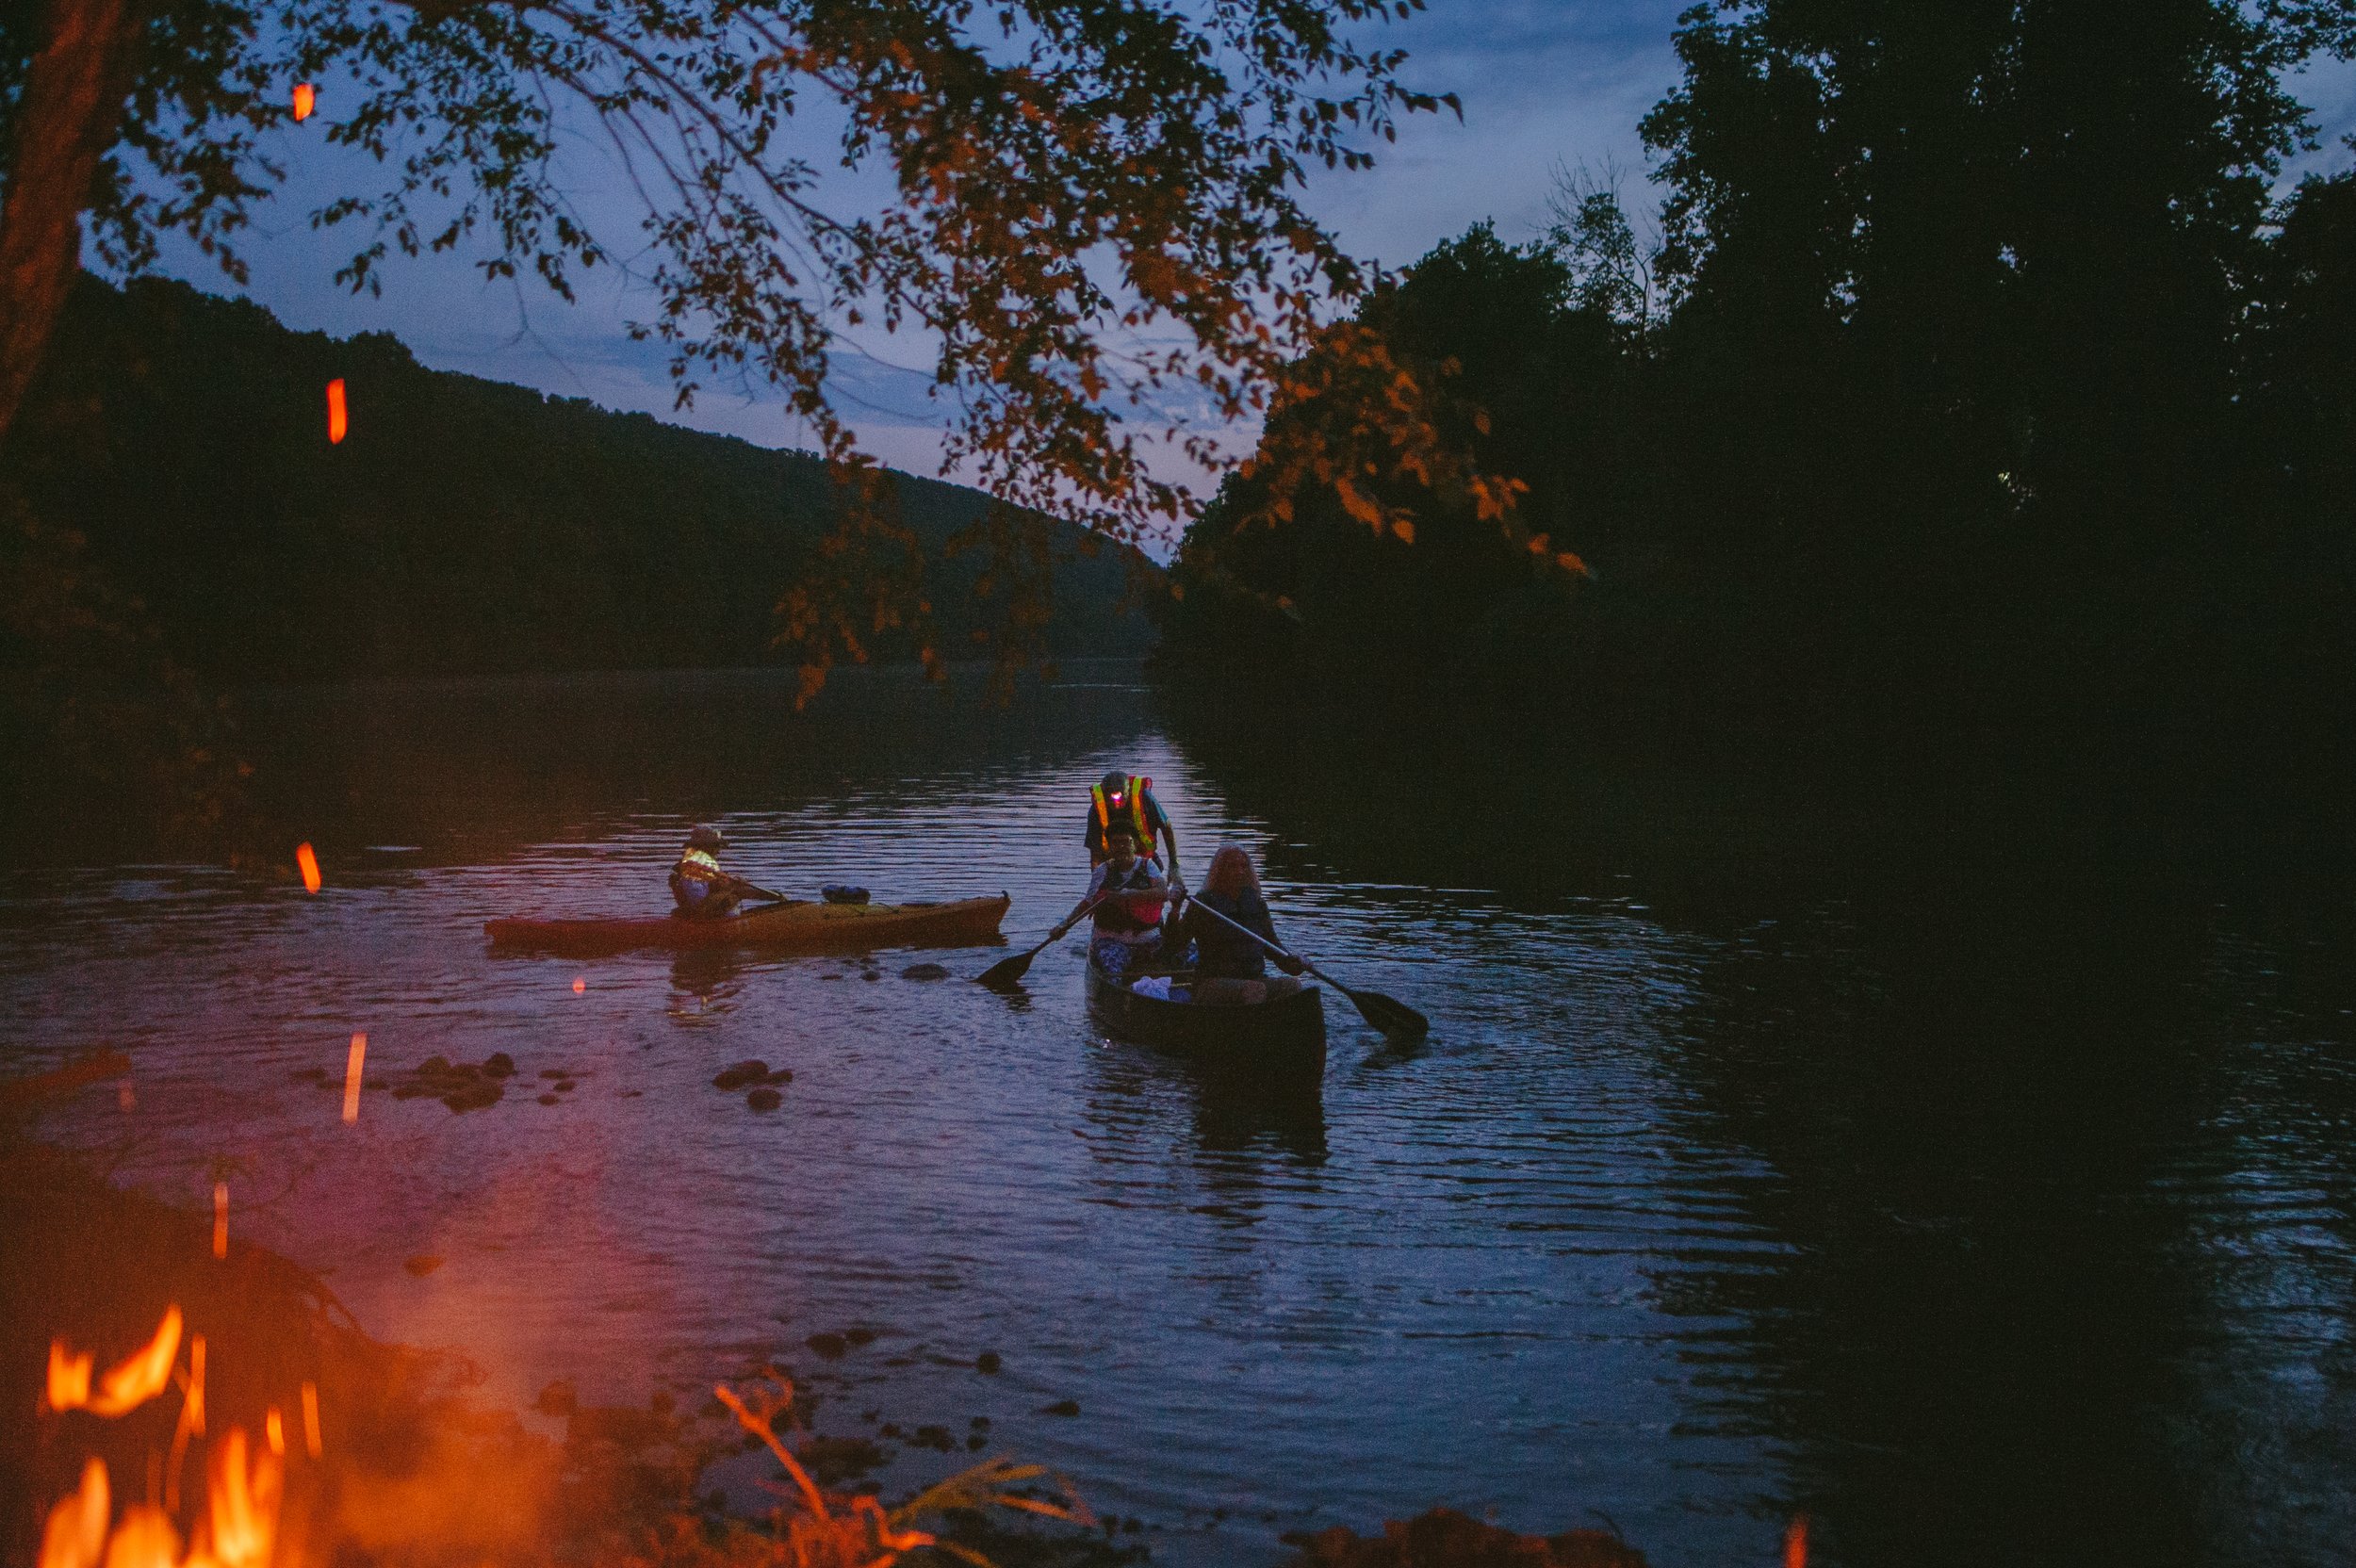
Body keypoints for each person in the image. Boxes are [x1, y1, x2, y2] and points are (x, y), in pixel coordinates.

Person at [1169, 843, 1303, 1004]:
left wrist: (1295, 963)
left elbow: (1273, 947)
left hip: (1254, 979)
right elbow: (1174, 945)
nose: (1239, 872)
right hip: (1212, 983)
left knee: (1292, 985)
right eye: (1232, 867)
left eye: (1243, 866)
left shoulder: (1256, 903)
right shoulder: (1203, 903)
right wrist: (1175, 909)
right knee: (1254, 989)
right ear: (1219, 871)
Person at [1051, 823, 1173, 980]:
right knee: (1113, 970)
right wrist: (1063, 925)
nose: (1121, 847)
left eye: (1126, 842)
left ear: (1135, 844)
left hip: (1149, 940)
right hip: (1111, 941)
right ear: (1109, 846)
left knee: (1185, 956)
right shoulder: (1102, 871)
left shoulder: (1148, 866)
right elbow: (1087, 904)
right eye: (1115, 843)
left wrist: (1129, 894)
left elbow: (1163, 893)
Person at [1085, 770, 1183, 900]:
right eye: (1112, 800)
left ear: (1128, 792)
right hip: (1113, 868)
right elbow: (1095, 854)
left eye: (1121, 798)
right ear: (1104, 794)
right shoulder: (1096, 809)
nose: (1117, 804)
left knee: (1150, 904)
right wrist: (1097, 886)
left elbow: (1166, 827)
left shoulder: (1145, 798)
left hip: (1145, 864)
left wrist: (1174, 865)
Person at [669, 825, 747, 920]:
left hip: (699, 910)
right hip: (705, 915)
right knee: (737, 892)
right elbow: (700, 903)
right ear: (706, 846)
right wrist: (734, 887)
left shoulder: (692, 867)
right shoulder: (693, 870)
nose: (719, 851)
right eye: (716, 846)